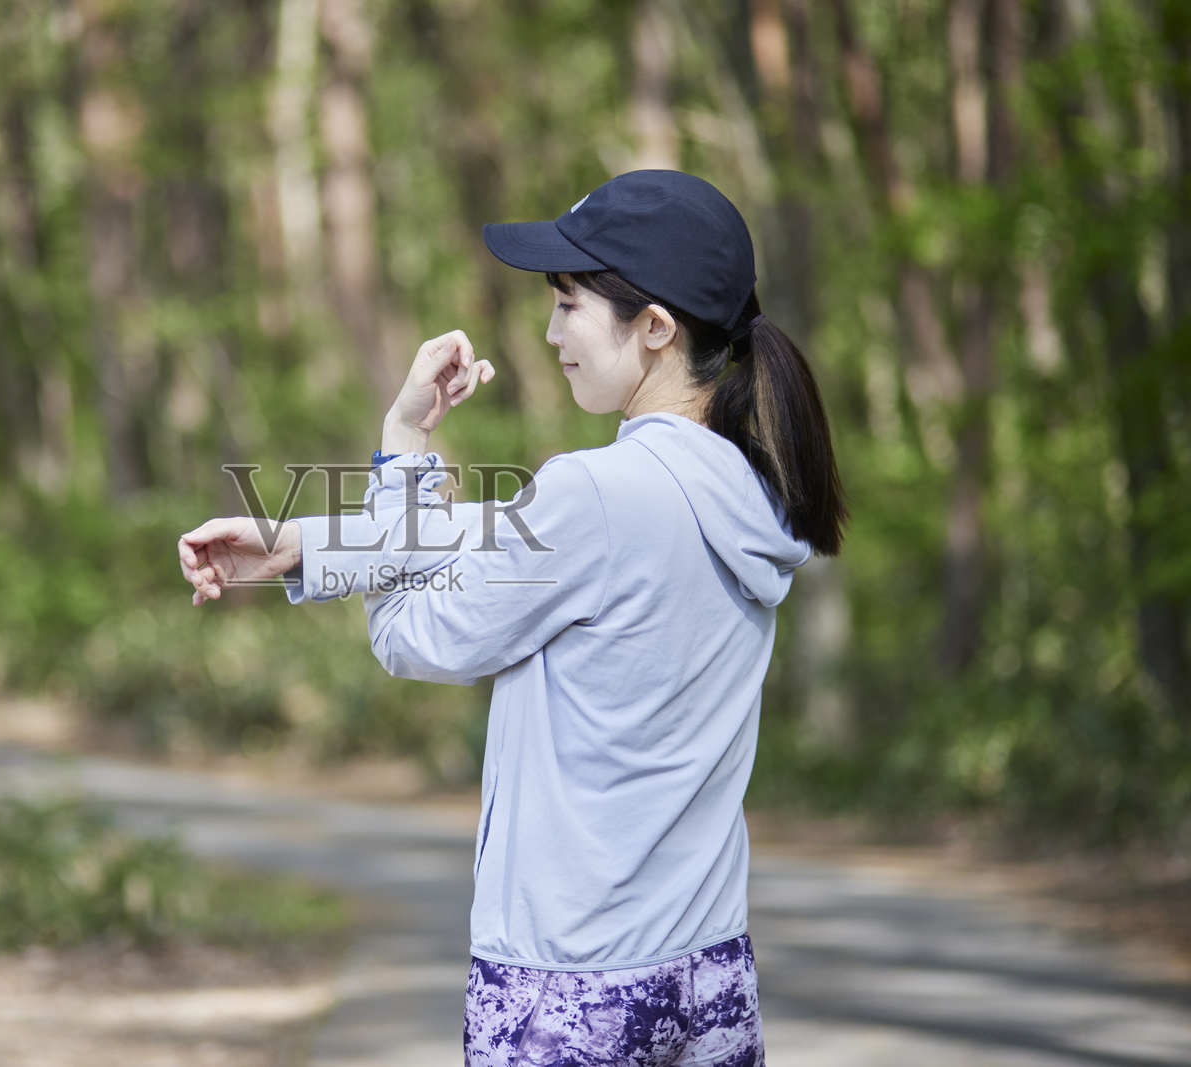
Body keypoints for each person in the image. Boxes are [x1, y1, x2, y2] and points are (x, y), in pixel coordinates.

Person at [176, 169, 847, 1066]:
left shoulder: (594, 492)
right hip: (708, 974)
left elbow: (411, 633)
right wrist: (304, 545)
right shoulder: (751, 493)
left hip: (570, 989)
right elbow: (505, 532)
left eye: (570, 304)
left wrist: (405, 439)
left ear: (654, 327)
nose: (551, 331)